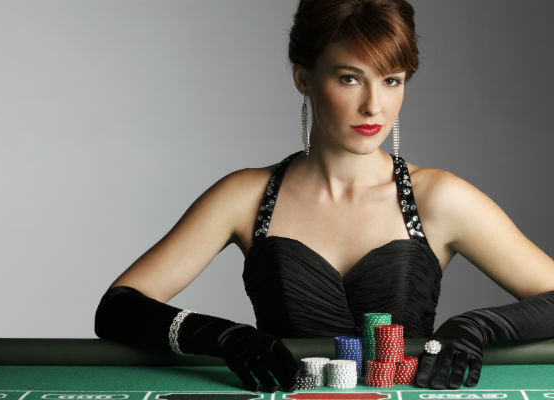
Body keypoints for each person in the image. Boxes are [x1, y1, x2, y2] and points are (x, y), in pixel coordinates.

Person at [95, 0, 554, 392]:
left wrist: (479, 326)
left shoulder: (440, 198)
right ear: (303, 77)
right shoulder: (245, 196)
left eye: (391, 80)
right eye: (350, 78)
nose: (374, 106)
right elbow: (117, 308)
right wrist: (220, 336)